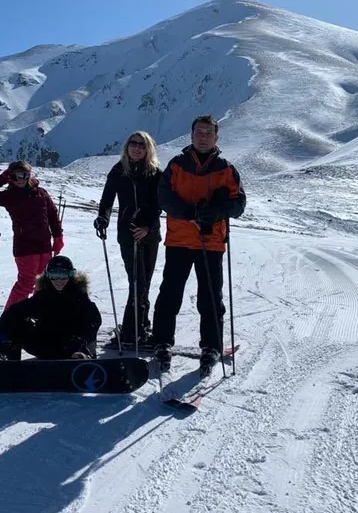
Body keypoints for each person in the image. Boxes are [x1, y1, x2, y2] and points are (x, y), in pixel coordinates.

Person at [150, 114, 246, 376]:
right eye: (199, 132)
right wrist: (190, 212)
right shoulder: (177, 165)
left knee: (211, 298)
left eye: (208, 133)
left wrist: (217, 211)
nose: (203, 137)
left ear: (216, 137)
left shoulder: (226, 169)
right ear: (191, 135)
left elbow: (239, 205)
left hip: (211, 242)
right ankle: (161, 342)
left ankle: (212, 346)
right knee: (170, 294)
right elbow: (163, 197)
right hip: (180, 240)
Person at [93, 131, 161, 346]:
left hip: (150, 234)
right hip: (127, 234)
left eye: (142, 144)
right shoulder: (118, 171)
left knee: (144, 282)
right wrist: (102, 219)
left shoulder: (155, 174)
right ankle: (132, 331)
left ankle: (141, 324)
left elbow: (158, 204)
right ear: (127, 146)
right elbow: (106, 200)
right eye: (133, 143)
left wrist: (147, 226)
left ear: (148, 149)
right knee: (137, 283)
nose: (137, 147)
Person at [0, 160, 64, 311]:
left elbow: (53, 216)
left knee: (42, 284)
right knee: (25, 284)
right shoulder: (9, 196)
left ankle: (36, 316)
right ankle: (8, 320)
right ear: (10, 177)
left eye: (24, 175)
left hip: (44, 246)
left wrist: (58, 238)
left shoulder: (41, 193)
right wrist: (3, 177)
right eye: (15, 176)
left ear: (29, 175)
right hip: (25, 248)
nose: (20, 179)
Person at [0, 255, 101, 361]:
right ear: (48, 276)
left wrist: (79, 340)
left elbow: (93, 321)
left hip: (73, 347)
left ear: (70, 275)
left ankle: (83, 360)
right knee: (15, 322)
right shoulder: (44, 296)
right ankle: (6, 361)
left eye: (63, 275)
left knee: (85, 333)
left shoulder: (79, 297)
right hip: (47, 346)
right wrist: (3, 335)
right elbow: (14, 312)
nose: (59, 280)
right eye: (54, 275)